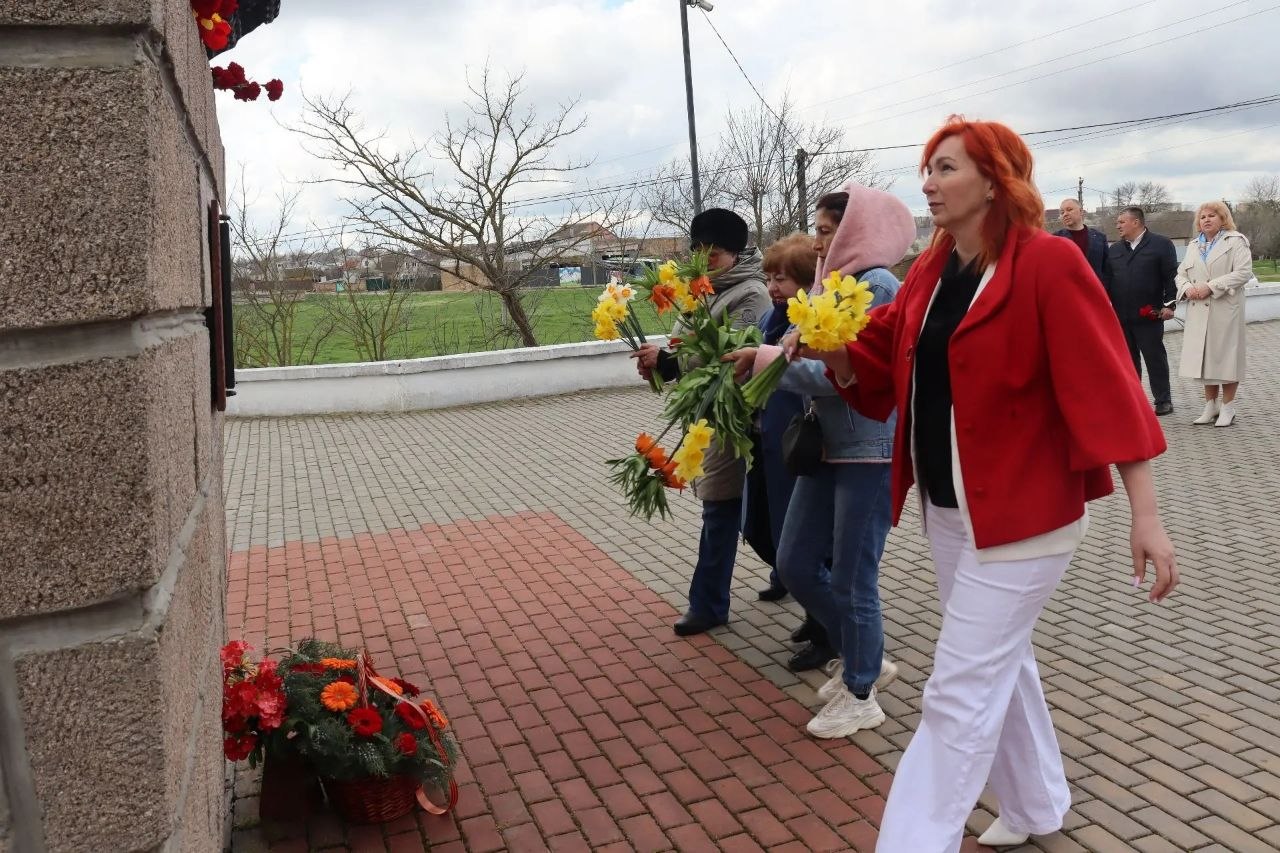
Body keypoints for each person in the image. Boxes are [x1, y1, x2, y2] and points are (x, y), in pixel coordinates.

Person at [786, 117, 1178, 851]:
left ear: (996, 179)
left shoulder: (1050, 264)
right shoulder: (933, 270)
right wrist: (827, 346)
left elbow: (1109, 391)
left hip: (1028, 519)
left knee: (958, 691)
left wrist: (1146, 517)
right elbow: (875, 364)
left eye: (946, 168)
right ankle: (1036, 803)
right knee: (1005, 664)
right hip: (951, 511)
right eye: (926, 168)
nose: (928, 183)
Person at [725, 183, 915, 738]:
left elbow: (848, 374)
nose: (818, 241)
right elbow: (806, 361)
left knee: (856, 576)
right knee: (796, 562)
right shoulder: (835, 284)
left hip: (866, 447)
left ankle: (861, 690)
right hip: (826, 444)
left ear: (859, 229)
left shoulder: (877, 286)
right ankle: (868, 656)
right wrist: (771, 358)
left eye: (828, 230)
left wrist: (767, 361)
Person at [633, 208, 770, 637]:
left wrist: (673, 359)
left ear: (735, 250)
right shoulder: (698, 291)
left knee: (725, 510)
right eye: (699, 249)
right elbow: (682, 344)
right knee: (751, 513)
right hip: (707, 415)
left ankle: (708, 603)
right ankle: (791, 576)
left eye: (714, 251)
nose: (705, 258)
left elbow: (735, 356)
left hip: (738, 418)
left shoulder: (752, 294)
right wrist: (662, 363)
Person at [1176, 201, 1252, 427]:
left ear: (1223, 218)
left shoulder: (1236, 241)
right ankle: (1211, 405)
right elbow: (1180, 274)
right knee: (1204, 359)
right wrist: (1187, 288)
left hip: (1225, 309)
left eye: (1212, 215)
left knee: (1227, 358)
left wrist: (1212, 286)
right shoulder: (1193, 245)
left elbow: (1244, 272)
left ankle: (1228, 406)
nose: (1206, 220)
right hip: (1199, 310)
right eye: (1202, 217)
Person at [1105, 206, 1178, 415]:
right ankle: (1133, 400)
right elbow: (1108, 281)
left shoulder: (1161, 245)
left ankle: (1163, 400)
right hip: (1121, 315)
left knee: (1154, 358)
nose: (1117, 225)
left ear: (1136, 222)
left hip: (1150, 315)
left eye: (1121, 221)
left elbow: (1170, 277)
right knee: (1128, 361)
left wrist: (1169, 305)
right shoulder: (1115, 250)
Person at [1054, 198, 1109, 281]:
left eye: (1069, 210)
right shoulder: (1055, 239)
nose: (1065, 214)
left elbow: (1107, 268)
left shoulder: (1099, 238)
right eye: (1062, 212)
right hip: (1067, 290)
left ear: (1081, 212)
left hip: (1094, 290)